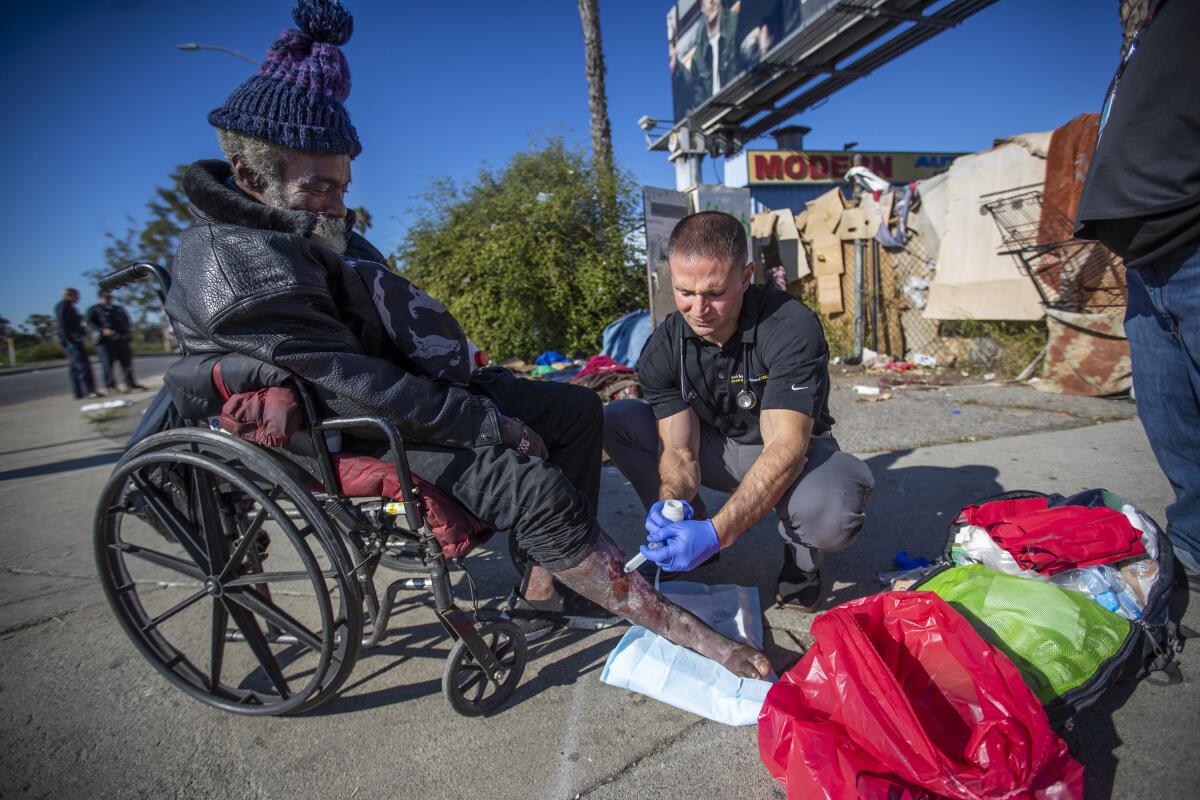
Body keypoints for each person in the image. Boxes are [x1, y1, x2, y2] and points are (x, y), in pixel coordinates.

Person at [164, 0, 769, 679]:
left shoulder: (312, 230)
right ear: (251, 179)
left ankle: (546, 588)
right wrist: (486, 420)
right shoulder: (236, 267)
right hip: (342, 422)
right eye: (321, 190)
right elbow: (350, 384)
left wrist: (468, 379)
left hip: (398, 392)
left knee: (573, 412)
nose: (340, 205)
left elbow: (391, 329)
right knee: (527, 481)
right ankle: (706, 641)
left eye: (343, 188)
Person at [604, 211, 874, 612]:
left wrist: (720, 532)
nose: (698, 309)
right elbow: (679, 452)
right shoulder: (663, 348)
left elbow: (786, 447)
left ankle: (801, 565)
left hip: (787, 448)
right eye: (684, 292)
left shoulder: (789, 326)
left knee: (832, 507)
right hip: (717, 448)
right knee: (620, 420)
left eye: (714, 293)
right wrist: (671, 498)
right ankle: (681, 529)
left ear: (745, 277)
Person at [1075, 0, 1200, 591]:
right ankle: (1194, 545)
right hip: (1149, 255)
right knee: (1170, 409)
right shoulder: (1151, 35)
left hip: (1189, 238)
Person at [86, 290, 146, 393]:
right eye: (106, 297)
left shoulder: (118, 309)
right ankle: (110, 386)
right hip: (105, 342)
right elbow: (90, 323)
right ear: (100, 297)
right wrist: (102, 330)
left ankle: (130, 383)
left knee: (126, 363)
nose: (109, 299)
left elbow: (127, 320)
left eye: (110, 297)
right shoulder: (95, 309)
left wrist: (128, 331)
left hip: (122, 340)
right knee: (108, 365)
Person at [53, 288, 100, 399]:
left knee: (75, 367)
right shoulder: (64, 306)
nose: (79, 298)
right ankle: (89, 391)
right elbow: (63, 325)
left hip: (72, 340)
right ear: (69, 295)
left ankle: (79, 393)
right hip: (72, 342)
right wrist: (70, 342)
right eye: (77, 296)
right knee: (82, 366)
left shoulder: (68, 306)